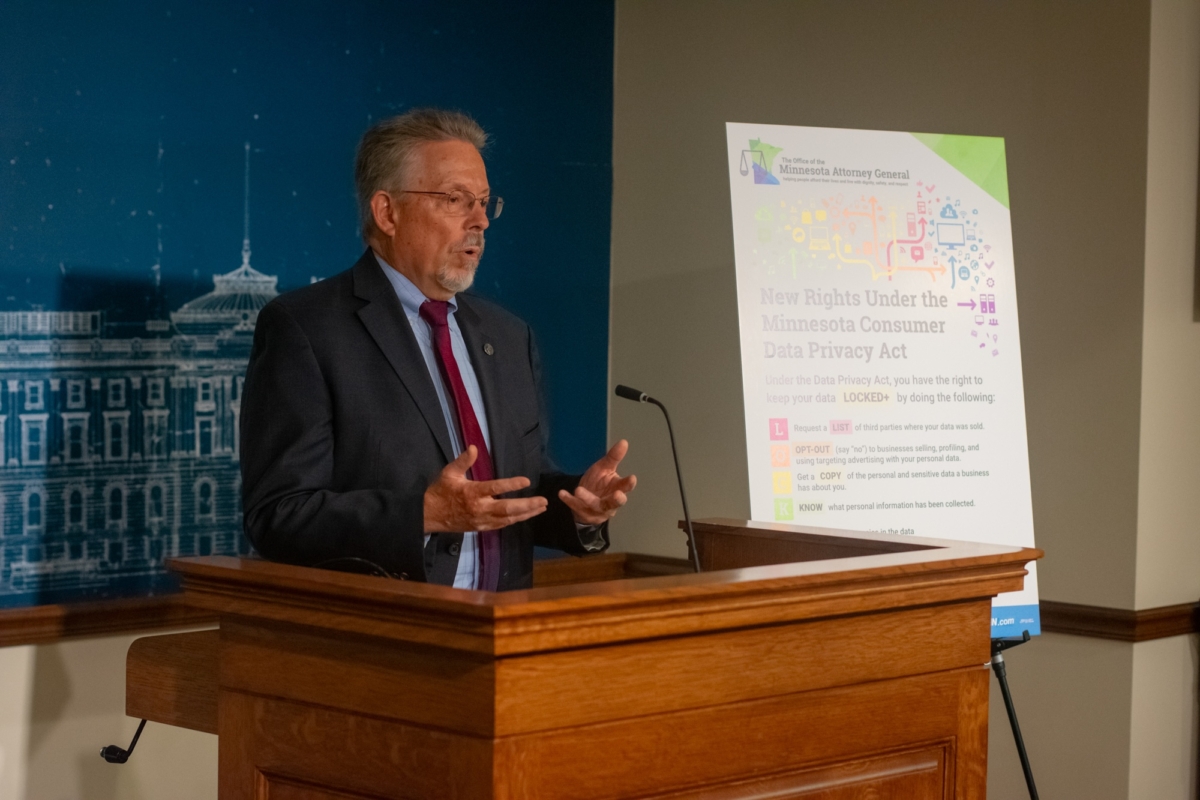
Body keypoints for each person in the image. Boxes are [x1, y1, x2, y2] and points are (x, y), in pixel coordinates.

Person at [239, 108, 635, 590]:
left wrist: (580, 510)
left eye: (485, 202)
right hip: (389, 638)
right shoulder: (307, 329)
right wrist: (421, 515)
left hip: (503, 635)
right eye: (456, 199)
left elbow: (516, 487)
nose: (481, 221)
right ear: (388, 212)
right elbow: (278, 515)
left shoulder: (509, 336)